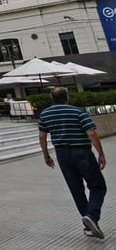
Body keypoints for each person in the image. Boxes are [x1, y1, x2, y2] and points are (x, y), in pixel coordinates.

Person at [38, 86, 108, 239]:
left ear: (52, 98)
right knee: (98, 186)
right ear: (67, 97)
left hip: (62, 154)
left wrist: (46, 155)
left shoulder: (45, 114)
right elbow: (92, 132)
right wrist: (101, 153)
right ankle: (92, 215)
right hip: (81, 152)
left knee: (76, 190)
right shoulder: (77, 112)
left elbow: (42, 136)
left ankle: (88, 226)